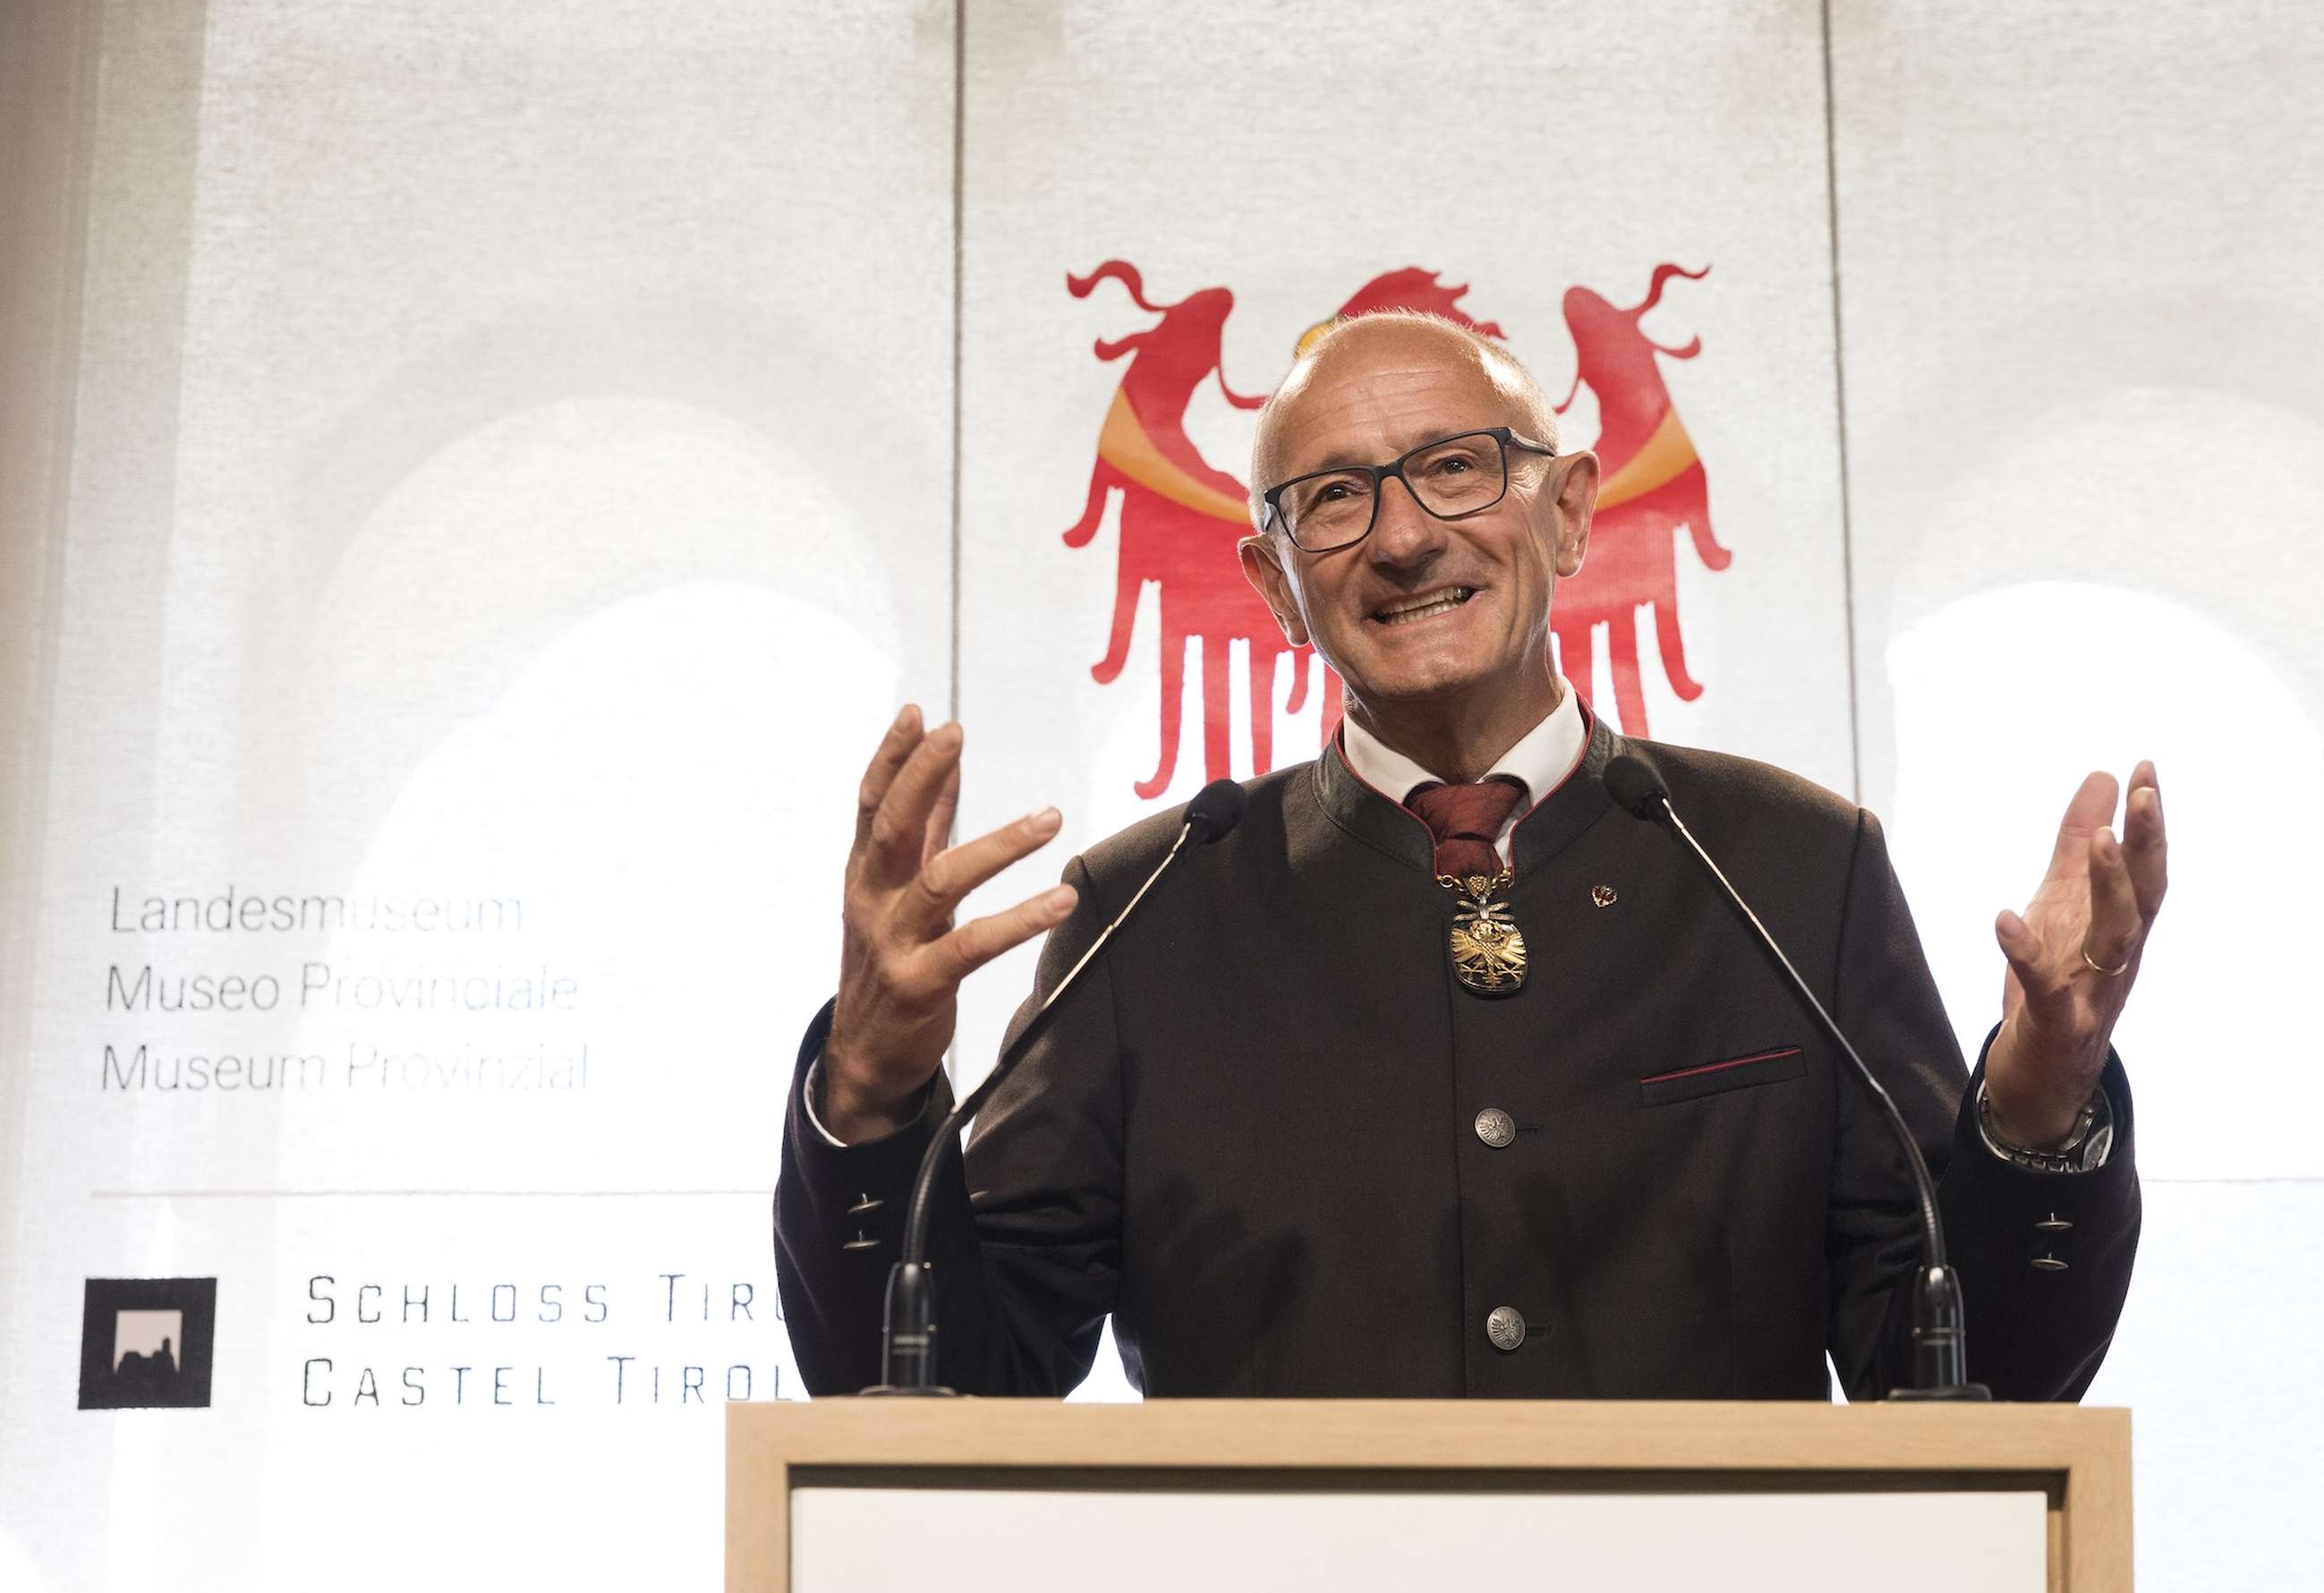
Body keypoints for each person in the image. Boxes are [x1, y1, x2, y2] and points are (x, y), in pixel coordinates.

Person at [773, 313, 2166, 1400]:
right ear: (1275, 588)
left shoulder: (1793, 870)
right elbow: (945, 1383)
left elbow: (1970, 1378)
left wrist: (2039, 1109)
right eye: (1331, 501)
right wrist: (875, 1088)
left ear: (1565, 513)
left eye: (1453, 468)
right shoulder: (1145, 918)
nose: (1400, 537)